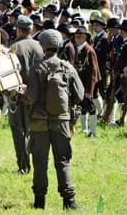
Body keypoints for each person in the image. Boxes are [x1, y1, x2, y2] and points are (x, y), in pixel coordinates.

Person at [25, 29, 84, 210]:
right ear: (59, 46)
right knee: (63, 160)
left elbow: (31, 97)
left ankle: (39, 203)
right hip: (62, 121)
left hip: (39, 122)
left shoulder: (35, 68)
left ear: (43, 46)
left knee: (39, 162)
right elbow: (80, 95)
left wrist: (22, 94)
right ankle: (69, 202)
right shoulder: (67, 67)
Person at [9, 16, 44, 174]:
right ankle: (37, 163)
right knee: (35, 131)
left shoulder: (15, 46)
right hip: (39, 96)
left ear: (19, 29)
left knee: (19, 131)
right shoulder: (41, 46)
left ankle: (23, 166)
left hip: (19, 96)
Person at [74, 26, 101, 137]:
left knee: (90, 106)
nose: (77, 39)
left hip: (90, 83)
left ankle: (93, 131)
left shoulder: (89, 51)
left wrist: (89, 90)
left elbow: (93, 73)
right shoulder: (79, 49)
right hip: (82, 82)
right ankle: (85, 129)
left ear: (85, 37)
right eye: (76, 36)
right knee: (81, 105)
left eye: (80, 37)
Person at [91, 17, 109, 119]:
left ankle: (107, 114)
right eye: (93, 25)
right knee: (95, 91)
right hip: (96, 68)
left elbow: (105, 55)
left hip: (102, 69)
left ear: (102, 26)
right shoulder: (97, 37)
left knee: (103, 91)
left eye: (97, 25)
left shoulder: (104, 38)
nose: (94, 27)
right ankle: (101, 112)